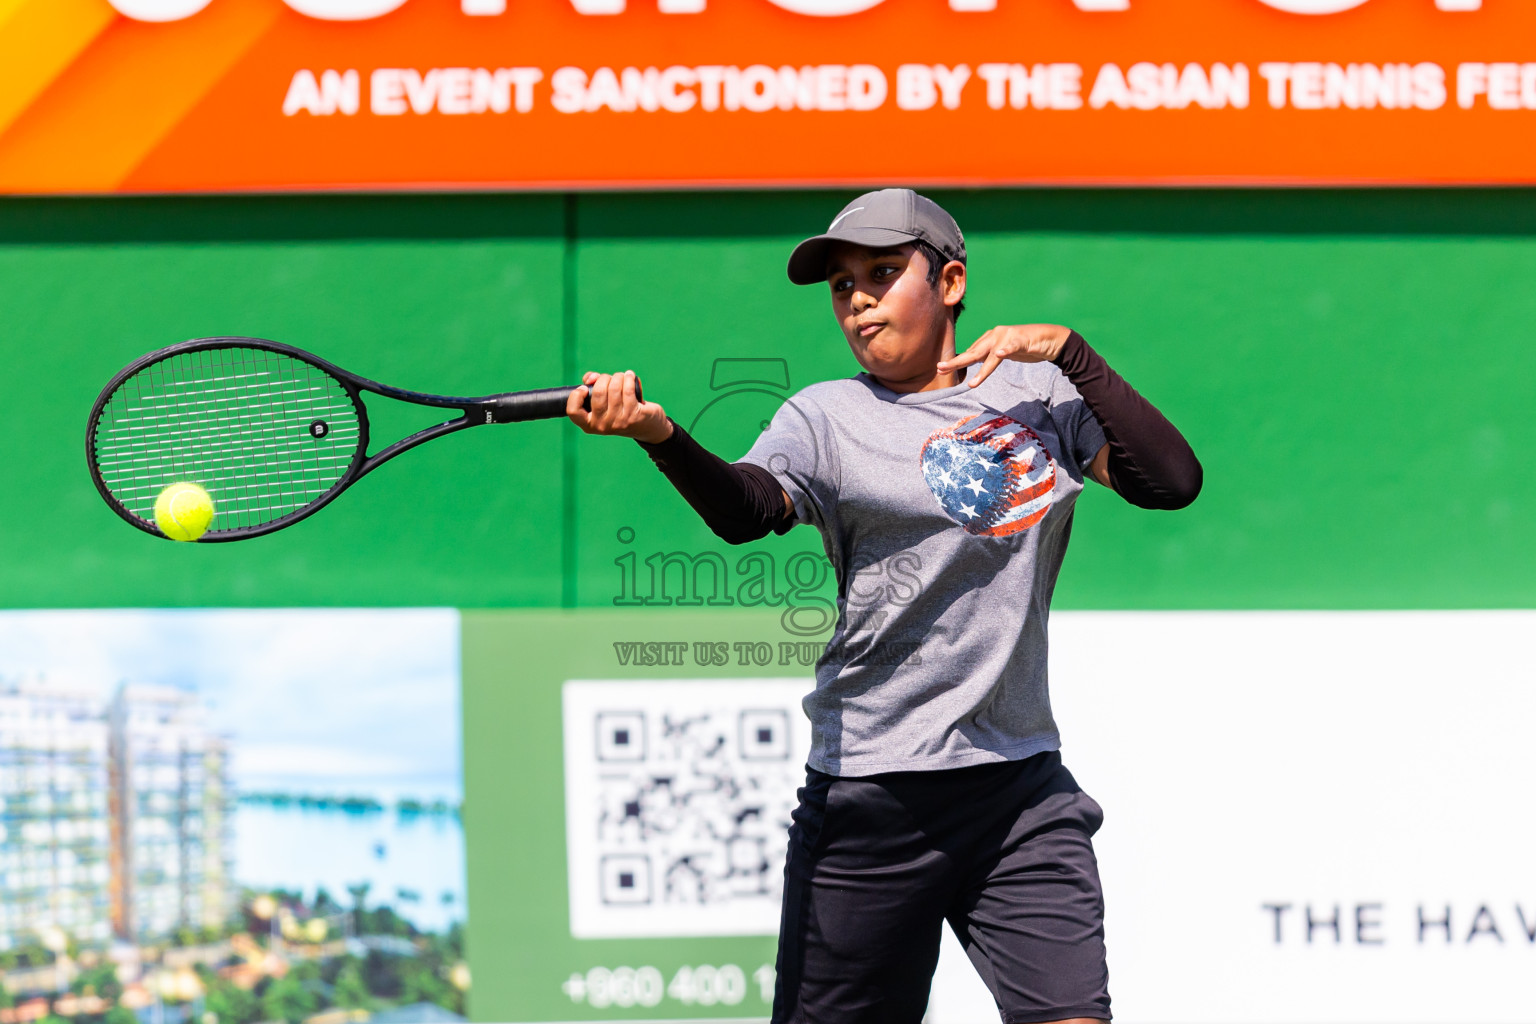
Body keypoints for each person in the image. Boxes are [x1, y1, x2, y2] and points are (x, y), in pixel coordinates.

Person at [566, 188, 1201, 1024]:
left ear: (950, 282)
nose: (858, 299)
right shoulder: (825, 416)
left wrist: (1072, 352)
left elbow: (1171, 482)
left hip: (1018, 796)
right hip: (870, 799)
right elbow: (747, 510)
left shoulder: (1034, 393)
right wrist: (660, 435)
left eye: (882, 272)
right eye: (841, 285)